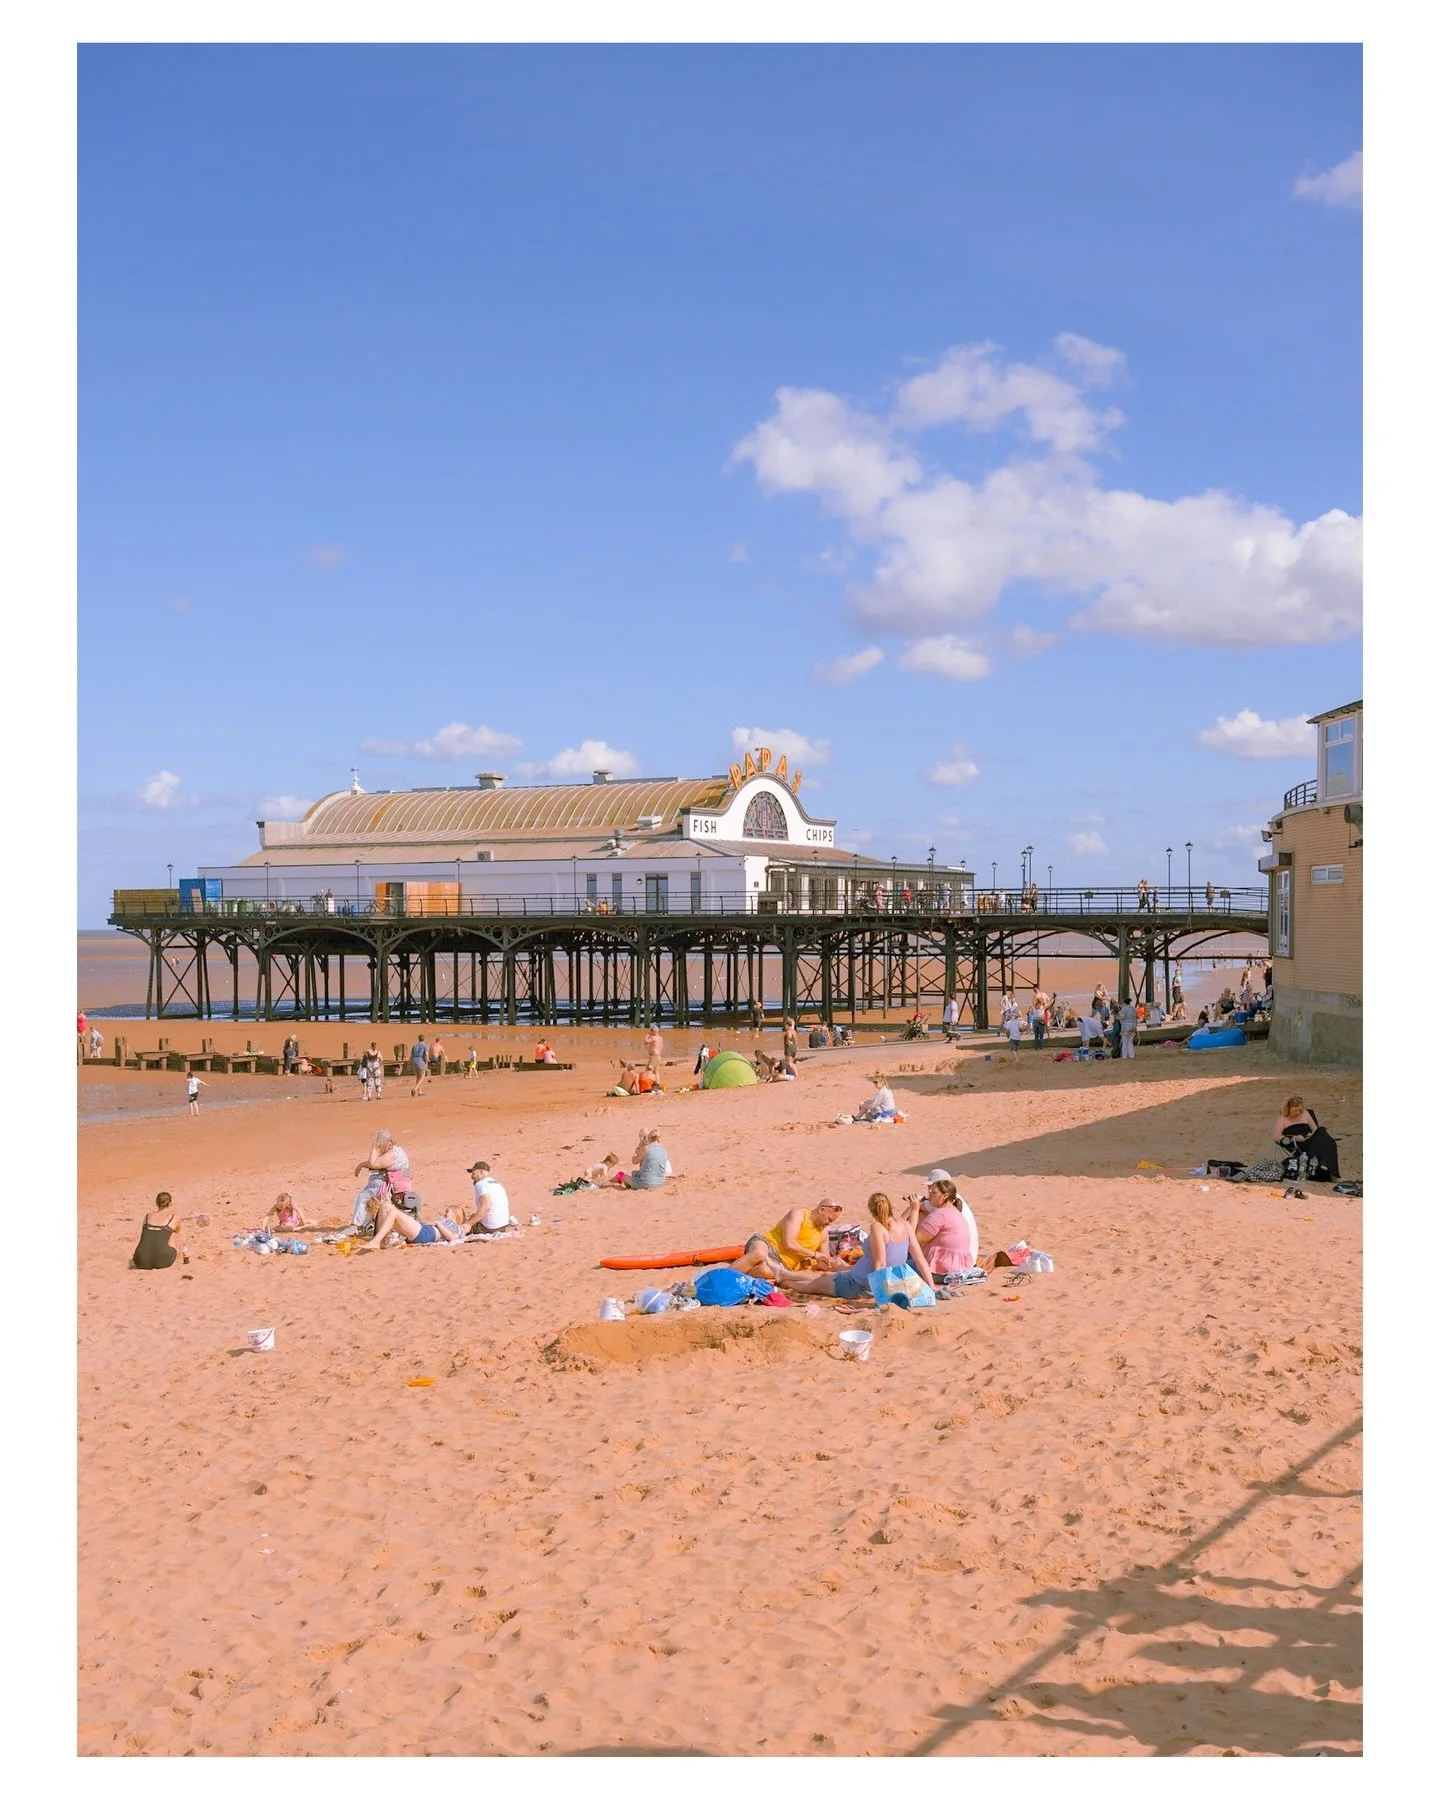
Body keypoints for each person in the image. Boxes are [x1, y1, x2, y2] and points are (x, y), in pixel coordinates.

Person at [777, 1192, 936, 1300]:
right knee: (824, 1277)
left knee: (814, 1285)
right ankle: (784, 1275)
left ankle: (783, 1280)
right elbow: (920, 1259)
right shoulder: (904, 1225)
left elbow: (880, 1264)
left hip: (858, 1284)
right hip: (868, 1279)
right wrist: (932, 1288)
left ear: (872, 1210)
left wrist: (883, 1298)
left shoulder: (877, 1228)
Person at [734, 1198, 844, 1278]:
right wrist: (815, 1254)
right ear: (822, 1210)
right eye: (829, 1219)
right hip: (768, 1244)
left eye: (832, 1222)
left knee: (765, 1271)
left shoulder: (823, 1234)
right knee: (759, 1253)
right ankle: (721, 1276)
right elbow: (789, 1244)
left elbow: (825, 1258)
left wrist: (822, 1263)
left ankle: (742, 1269)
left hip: (783, 1264)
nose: (829, 1224)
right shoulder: (799, 1215)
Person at [915, 1172, 980, 1273]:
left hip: (950, 1264)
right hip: (966, 1259)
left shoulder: (941, 1211)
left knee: (920, 1216)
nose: (929, 1192)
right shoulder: (955, 1202)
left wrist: (913, 1208)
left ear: (944, 1193)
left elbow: (915, 1239)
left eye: (933, 1189)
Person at [352, 1130, 413, 1228]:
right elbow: (378, 1163)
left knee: (364, 1197)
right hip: (400, 1182)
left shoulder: (392, 1154)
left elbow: (373, 1163)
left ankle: (356, 1225)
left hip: (390, 1185)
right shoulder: (397, 1150)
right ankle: (367, 1223)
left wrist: (374, 1147)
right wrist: (362, 1165)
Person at [1273, 1097, 1342, 1182]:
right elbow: (1276, 1137)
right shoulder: (1282, 1118)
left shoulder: (1305, 1113)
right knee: (1325, 1138)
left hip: (1309, 1140)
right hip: (1297, 1144)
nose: (1298, 1112)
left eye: (1300, 1110)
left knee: (1325, 1135)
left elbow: (1315, 1130)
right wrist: (1294, 1138)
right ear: (1288, 1109)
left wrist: (1309, 1136)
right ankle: (1329, 1169)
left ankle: (1326, 1166)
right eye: (1295, 1111)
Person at [367, 1193, 463, 1248]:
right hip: (422, 1230)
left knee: (393, 1212)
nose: (444, 1213)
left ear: (455, 1214)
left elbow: (453, 1238)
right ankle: (380, 1240)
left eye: (447, 1211)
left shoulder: (454, 1226)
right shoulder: (445, 1222)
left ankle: (377, 1241)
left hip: (426, 1234)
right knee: (385, 1206)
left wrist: (438, 1224)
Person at [132, 1191, 185, 1269]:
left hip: (139, 1260)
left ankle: (151, 1253)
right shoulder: (173, 1217)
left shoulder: (147, 1216)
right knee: (172, 1232)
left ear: (156, 1203)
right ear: (170, 1203)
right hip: (163, 1259)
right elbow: (178, 1230)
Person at [465, 1160, 514, 1232]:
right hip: (503, 1226)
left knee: (461, 1223)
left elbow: (486, 1207)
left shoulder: (480, 1184)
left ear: (481, 1172)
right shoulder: (496, 1183)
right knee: (473, 1216)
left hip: (490, 1228)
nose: (471, 1177)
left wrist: (469, 1224)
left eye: (473, 1173)